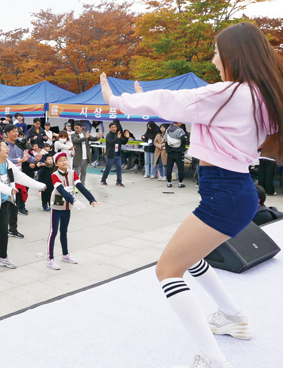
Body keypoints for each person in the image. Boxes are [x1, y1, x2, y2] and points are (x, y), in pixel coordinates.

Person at [101, 21, 283, 368]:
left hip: (224, 194)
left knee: (168, 270)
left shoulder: (228, 94)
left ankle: (213, 358)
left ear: (233, 55)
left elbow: (172, 100)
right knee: (191, 257)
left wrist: (117, 100)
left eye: (217, 52)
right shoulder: (262, 96)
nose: (214, 59)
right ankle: (232, 317)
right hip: (235, 192)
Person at [0, 139, 46, 278]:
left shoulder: (7, 163)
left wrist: (39, 185)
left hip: (4, 202)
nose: (7, 149)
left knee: (4, 232)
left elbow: (20, 177)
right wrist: (9, 190)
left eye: (7, 147)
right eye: (4, 147)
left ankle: (3, 258)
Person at [47, 152, 100, 270]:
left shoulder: (72, 173)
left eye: (65, 159)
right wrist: (74, 200)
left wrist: (91, 199)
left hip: (67, 207)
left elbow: (80, 186)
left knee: (64, 231)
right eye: (61, 160)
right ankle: (50, 259)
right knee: (53, 232)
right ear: (56, 164)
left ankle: (65, 254)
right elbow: (61, 190)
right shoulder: (54, 175)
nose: (64, 161)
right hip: (57, 207)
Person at [4, 124, 33, 234]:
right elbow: (6, 159)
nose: (16, 133)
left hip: (17, 180)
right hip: (6, 180)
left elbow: (27, 158)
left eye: (17, 131)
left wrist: (37, 159)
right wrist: (20, 161)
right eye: (13, 131)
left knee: (14, 206)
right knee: (4, 206)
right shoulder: (3, 146)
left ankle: (13, 229)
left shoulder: (17, 147)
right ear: (7, 133)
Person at [100, 122, 130, 187]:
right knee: (108, 168)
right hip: (111, 155)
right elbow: (111, 142)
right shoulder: (108, 135)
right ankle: (103, 180)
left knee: (119, 168)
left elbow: (123, 142)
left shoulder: (117, 134)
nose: (114, 128)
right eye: (112, 127)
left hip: (118, 155)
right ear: (109, 128)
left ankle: (119, 182)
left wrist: (127, 138)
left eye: (115, 127)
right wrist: (117, 138)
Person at [165, 122, 189, 188]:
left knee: (169, 167)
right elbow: (183, 139)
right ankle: (180, 182)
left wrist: (168, 150)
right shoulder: (180, 130)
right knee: (180, 168)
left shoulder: (168, 130)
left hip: (170, 152)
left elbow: (166, 141)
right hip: (179, 152)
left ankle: (169, 182)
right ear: (178, 123)